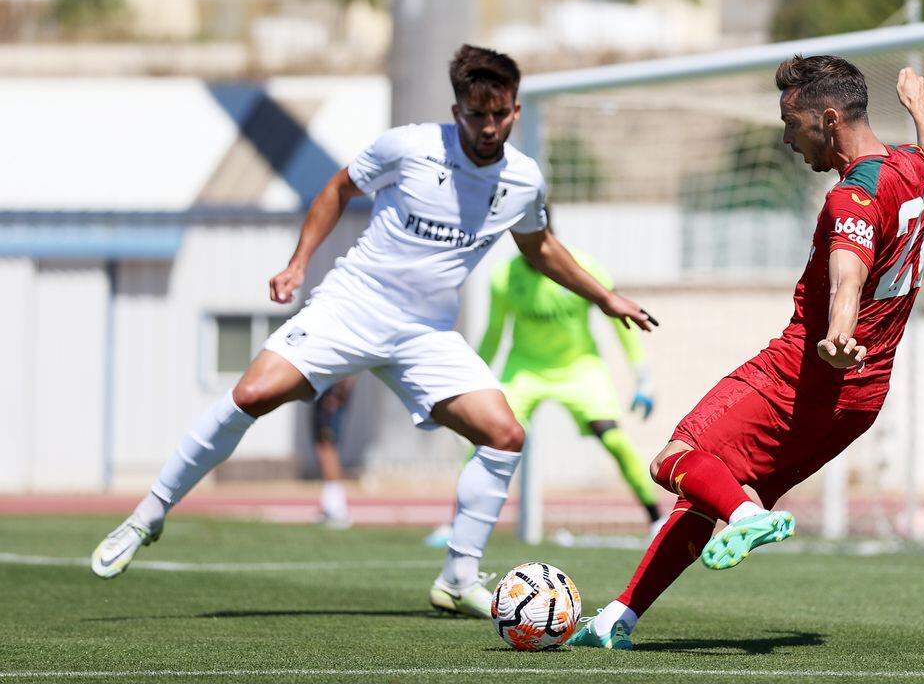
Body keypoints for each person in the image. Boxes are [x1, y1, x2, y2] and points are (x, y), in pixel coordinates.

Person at [90, 44, 658, 621]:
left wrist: (606, 297)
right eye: (476, 115)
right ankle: (149, 513)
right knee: (251, 395)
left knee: (504, 433)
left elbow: (540, 248)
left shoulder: (523, 180)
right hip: (351, 306)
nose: (489, 127)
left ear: (515, 109)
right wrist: (297, 263)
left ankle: (459, 578)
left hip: (425, 334)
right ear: (457, 109)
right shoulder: (408, 146)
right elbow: (337, 188)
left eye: (501, 114)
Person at [566, 59, 924, 650]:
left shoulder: (853, 197)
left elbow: (849, 274)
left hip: (804, 372)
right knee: (713, 485)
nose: (787, 139)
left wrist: (839, 333)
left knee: (674, 459)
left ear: (827, 118)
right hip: (861, 399)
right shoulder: (912, 168)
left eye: (790, 123)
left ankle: (747, 519)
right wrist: (921, 108)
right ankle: (619, 619)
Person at [426, 233, 664, 548]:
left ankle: (656, 519)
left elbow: (622, 316)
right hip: (526, 368)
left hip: (580, 368)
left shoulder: (584, 267)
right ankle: (456, 523)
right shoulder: (505, 276)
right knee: (486, 437)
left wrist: (643, 377)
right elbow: (494, 333)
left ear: (546, 235)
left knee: (613, 437)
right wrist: (468, 377)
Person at [312, 376, 355, 529]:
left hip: (331, 390)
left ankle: (337, 508)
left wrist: (338, 391)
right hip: (326, 389)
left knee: (327, 444)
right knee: (322, 444)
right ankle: (330, 505)